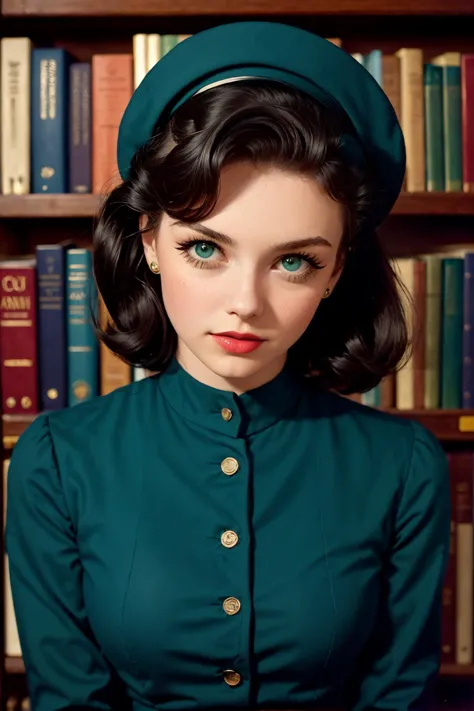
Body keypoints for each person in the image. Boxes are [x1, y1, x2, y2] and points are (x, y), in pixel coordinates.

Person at [5, 20, 451, 711]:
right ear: (150, 240)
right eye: (206, 250)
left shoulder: (405, 467)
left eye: (294, 261)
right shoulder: (57, 462)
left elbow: (400, 694)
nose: (246, 304)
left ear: (336, 273)